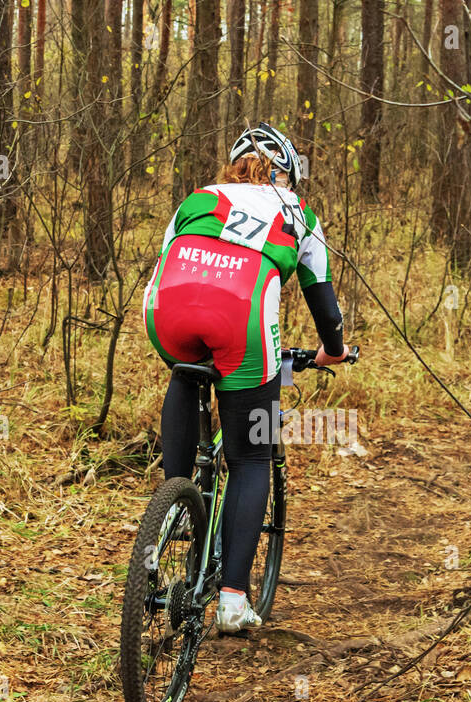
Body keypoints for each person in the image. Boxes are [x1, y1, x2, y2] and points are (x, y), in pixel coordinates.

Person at [143, 123, 349, 633]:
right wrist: (334, 352)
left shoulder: (198, 198)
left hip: (167, 312)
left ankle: (174, 503)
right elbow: (323, 302)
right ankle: (233, 598)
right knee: (253, 453)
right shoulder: (298, 212)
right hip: (243, 322)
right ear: (288, 175)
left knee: (186, 374)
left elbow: (170, 258)